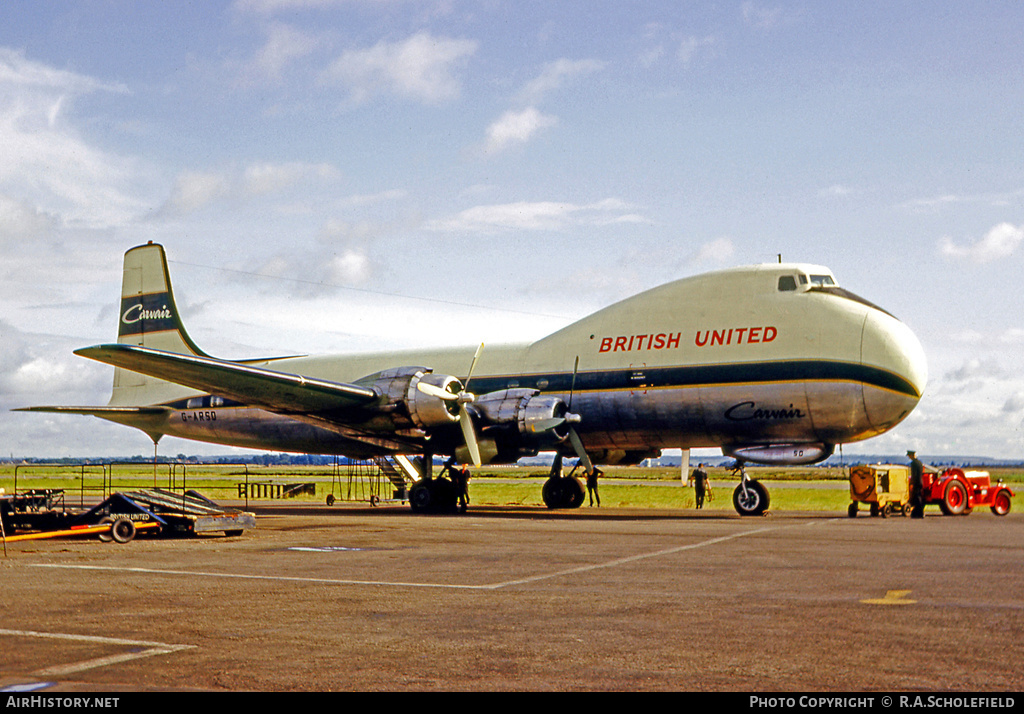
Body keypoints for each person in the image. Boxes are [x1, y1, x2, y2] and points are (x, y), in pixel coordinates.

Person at [908, 450, 925, 518]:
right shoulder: (920, 463)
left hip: (916, 483)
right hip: (920, 481)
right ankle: (917, 513)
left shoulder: (913, 463)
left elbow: (913, 474)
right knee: (918, 497)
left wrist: (912, 483)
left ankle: (919, 513)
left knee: (917, 498)